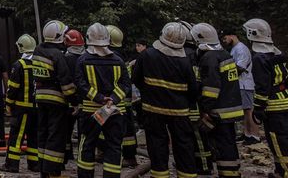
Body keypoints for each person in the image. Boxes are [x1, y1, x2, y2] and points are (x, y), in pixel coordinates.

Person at [132, 22, 199, 177]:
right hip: (180, 112)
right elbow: (193, 89)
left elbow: (136, 78)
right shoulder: (185, 61)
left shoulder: (147, 55)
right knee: (184, 146)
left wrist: (150, 93)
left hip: (152, 109)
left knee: (157, 146)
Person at [74, 23, 131, 178]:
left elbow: (80, 84)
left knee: (87, 144)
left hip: (91, 110)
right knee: (114, 146)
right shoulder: (118, 60)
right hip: (115, 111)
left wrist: (99, 98)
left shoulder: (82, 60)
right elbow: (126, 84)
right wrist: (112, 99)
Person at [190, 23, 243, 178]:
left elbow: (211, 88)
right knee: (229, 143)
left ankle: (228, 174)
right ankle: (233, 171)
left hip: (219, 110)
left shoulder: (209, 58)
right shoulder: (224, 54)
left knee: (223, 145)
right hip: (231, 107)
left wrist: (205, 109)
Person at [244, 18, 288, 178]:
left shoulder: (259, 58)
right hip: (284, 101)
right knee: (283, 139)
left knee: (278, 142)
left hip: (272, 105)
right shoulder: (277, 53)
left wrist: (258, 108)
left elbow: (262, 87)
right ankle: (282, 170)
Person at [33, 20, 77, 178]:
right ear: (59, 36)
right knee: (56, 135)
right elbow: (65, 81)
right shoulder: (58, 55)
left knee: (43, 133)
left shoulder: (38, 50)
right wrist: (75, 101)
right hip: (56, 100)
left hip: (40, 98)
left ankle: (44, 170)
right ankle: (54, 171)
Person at [180, 20, 213, 176]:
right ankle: (198, 163)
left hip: (190, 103)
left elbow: (194, 80)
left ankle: (204, 165)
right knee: (195, 136)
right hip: (194, 102)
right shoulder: (196, 53)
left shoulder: (187, 54)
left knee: (197, 136)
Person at [2, 34, 39, 173]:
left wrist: (8, 104)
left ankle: (11, 164)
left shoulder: (19, 65)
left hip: (22, 109)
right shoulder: (39, 63)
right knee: (34, 137)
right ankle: (34, 164)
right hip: (36, 108)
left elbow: (13, 88)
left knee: (16, 137)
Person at [221, 28, 262, 144]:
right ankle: (247, 133)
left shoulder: (241, 49)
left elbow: (240, 67)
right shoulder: (234, 49)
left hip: (245, 83)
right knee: (244, 111)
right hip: (240, 84)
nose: (224, 41)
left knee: (249, 110)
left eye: (225, 38)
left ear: (232, 36)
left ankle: (254, 135)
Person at [106, 24, 138, 168]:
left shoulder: (111, 56)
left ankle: (128, 157)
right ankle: (129, 156)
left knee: (121, 129)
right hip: (123, 98)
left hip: (116, 99)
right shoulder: (119, 54)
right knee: (128, 129)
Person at [63, 28, 85, 163]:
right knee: (83, 131)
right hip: (84, 100)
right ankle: (83, 156)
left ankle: (67, 154)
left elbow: (64, 79)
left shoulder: (65, 59)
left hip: (68, 99)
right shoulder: (86, 58)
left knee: (66, 130)